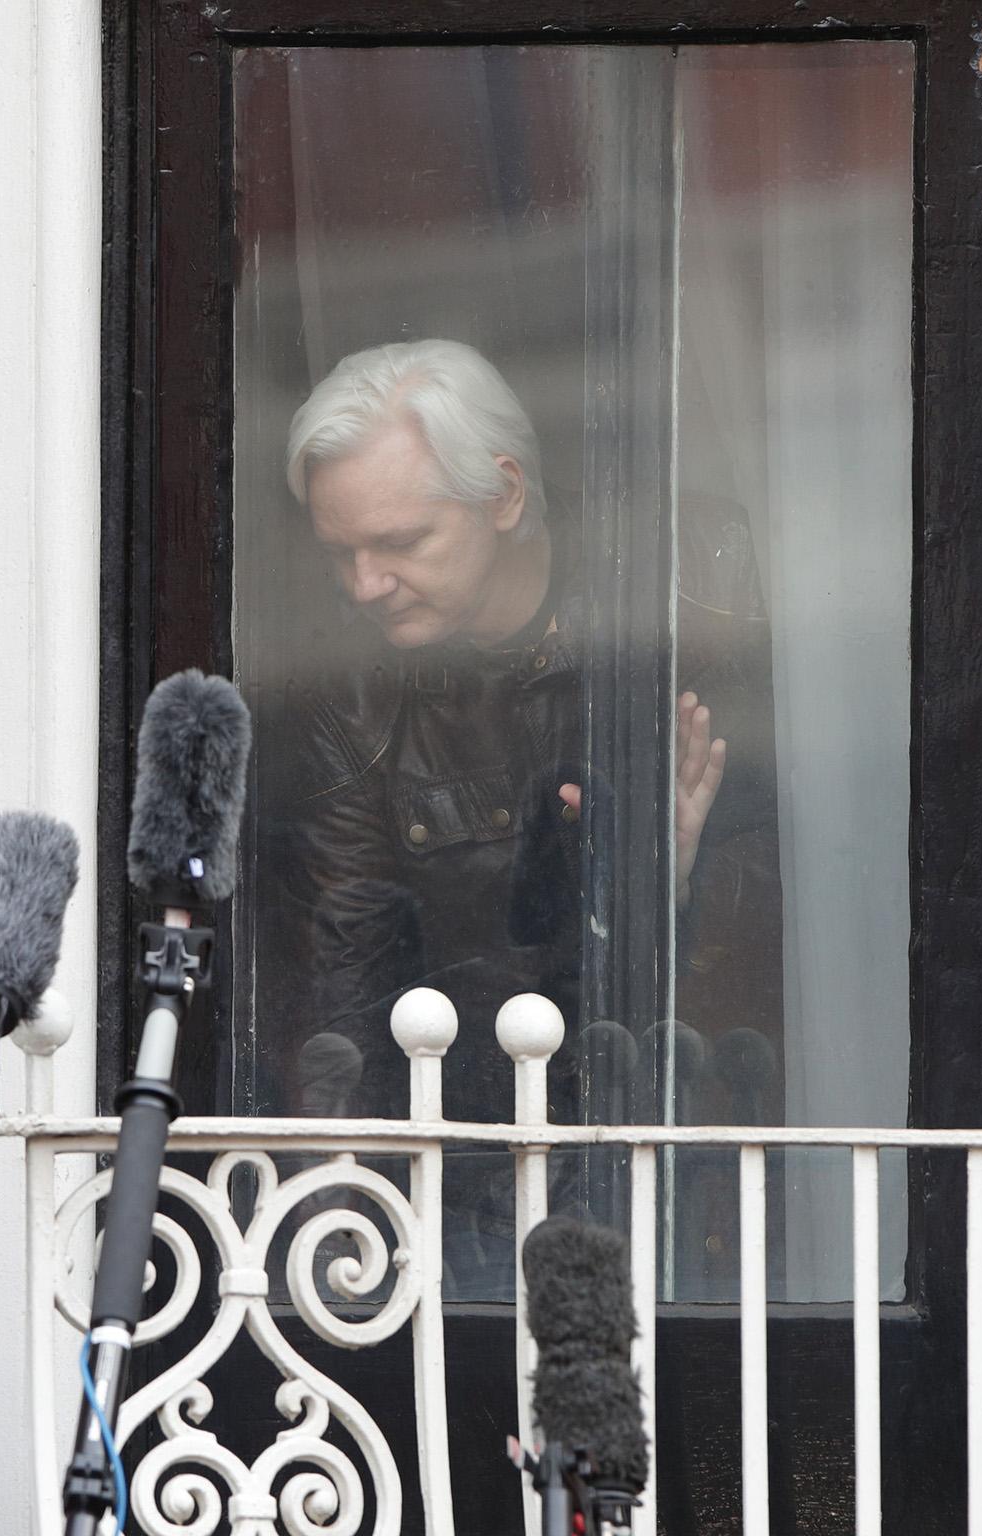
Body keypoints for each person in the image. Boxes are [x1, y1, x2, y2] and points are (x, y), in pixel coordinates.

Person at [271, 339, 775, 1286]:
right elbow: (346, 983)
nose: (362, 584)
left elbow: (809, 930)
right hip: (472, 1165)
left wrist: (672, 881)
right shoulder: (349, 693)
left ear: (504, 495)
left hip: (690, 1159)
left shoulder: (693, 584)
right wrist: (339, 1247)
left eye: (401, 542)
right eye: (341, 551)